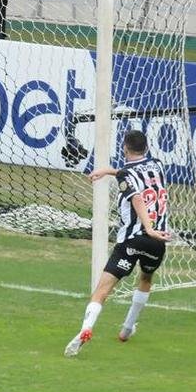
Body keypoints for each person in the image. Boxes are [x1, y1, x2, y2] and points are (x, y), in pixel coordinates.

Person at [64, 129, 171, 358]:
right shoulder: (158, 165)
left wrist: (147, 227)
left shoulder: (125, 175)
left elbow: (136, 197)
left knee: (102, 289)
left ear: (124, 148)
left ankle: (86, 329)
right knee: (146, 278)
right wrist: (109, 171)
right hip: (157, 243)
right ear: (147, 147)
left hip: (133, 239)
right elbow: (131, 172)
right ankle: (127, 328)